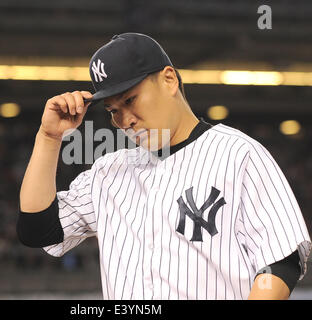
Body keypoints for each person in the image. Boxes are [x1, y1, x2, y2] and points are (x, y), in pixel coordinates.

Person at [17, 33, 311, 300]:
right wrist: (49, 137)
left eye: (131, 99)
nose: (124, 119)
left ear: (169, 79)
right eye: (113, 111)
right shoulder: (109, 172)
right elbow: (38, 230)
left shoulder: (237, 153)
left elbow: (281, 262)